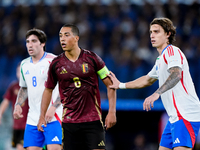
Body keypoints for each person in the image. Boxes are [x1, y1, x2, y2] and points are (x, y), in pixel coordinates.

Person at [107, 17, 200, 150]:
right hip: (174, 117)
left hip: (185, 114)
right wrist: (120, 84)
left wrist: (156, 94)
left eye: (157, 32)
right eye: (151, 32)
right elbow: (147, 79)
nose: (152, 35)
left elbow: (176, 74)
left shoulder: (172, 51)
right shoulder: (160, 59)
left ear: (168, 34)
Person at [37, 24, 117, 150]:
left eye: (66, 35)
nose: (62, 39)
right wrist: (42, 116)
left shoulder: (92, 58)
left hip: (93, 120)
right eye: (60, 36)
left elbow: (111, 84)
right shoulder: (56, 64)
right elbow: (48, 90)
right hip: (69, 122)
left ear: (76, 38)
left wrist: (112, 112)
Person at [13, 28, 63, 150]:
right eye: (27, 41)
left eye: (34, 41)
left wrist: (53, 107)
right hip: (33, 118)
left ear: (43, 43)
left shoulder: (53, 61)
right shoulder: (24, 65)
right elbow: (24, 87)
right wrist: (18, 104)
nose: (30, 45)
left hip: (53, 116)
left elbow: (65, 87)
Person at [0, 64, 28, 150]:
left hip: (29, 124)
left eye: (22, 71)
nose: (20, 74)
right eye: (18, 71)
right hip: (16, 125)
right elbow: (5, 101)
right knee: (19, 147)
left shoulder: (32, 86)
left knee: (23, 147)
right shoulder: (13, 86)